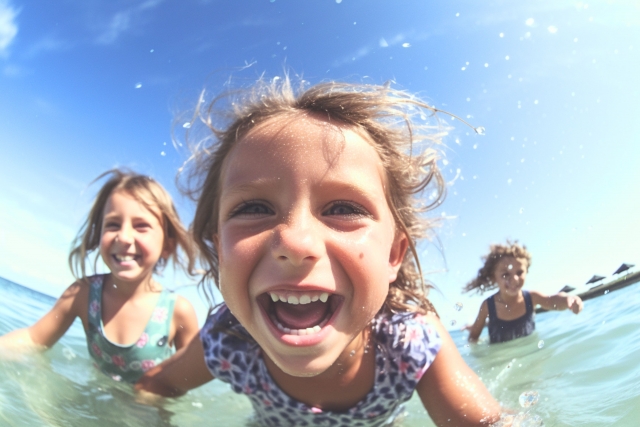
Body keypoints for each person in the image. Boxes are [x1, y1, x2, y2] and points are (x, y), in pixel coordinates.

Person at [136, 78, 503, 426]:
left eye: (343, 209)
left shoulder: (409, 341)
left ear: (394, 254)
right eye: (254, 209)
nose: (296, 242)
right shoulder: (229, 340)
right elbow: (154, 386)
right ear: (221, 250)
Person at [0, 169, 200, 383]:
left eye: (141, 226)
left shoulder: (178, 312)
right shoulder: (83, 293)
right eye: (113, 224)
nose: (124, 237)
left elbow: (192, 377)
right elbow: (33, 338)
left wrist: (154, 391)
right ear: (99, 233)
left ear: (167, 246)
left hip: (148, 411)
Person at [463, 241, 583, 344]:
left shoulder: (531, 297)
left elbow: (552, 301)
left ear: (527, 271)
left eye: (519, 272)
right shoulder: (488, 306)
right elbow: (473, 338)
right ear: (494, 278)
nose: (514, 279)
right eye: (505, 274)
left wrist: (568, 299)